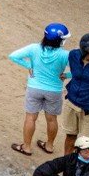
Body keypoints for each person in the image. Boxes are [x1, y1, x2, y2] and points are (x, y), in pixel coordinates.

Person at [9, 23, 70, 156]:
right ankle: (49, 146)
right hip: (54, 90)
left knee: (31, 117)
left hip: (34, 88)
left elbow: (13, 56)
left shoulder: (34, 48)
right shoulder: (65, 55)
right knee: (52, 119)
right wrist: (67, 75)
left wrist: (28, 65)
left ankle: (26, 147)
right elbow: (80, 69)